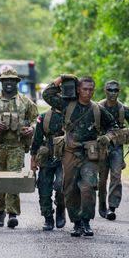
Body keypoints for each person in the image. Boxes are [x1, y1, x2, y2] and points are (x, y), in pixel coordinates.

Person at [43, 75, 117, 237]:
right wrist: (61, 79)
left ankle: (86, 221)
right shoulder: (67, 105)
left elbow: (114, 126)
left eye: (91, 89)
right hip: (70, 153)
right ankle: (76, 222)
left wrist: (107, 137)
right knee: (70, 189)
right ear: (78, 89)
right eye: (84, 89)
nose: (88, 92)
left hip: (90, 155)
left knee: (88, 187)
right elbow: (47, 94)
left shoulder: (97, 109)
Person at [0, 67, 38, 229]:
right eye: (5, 80)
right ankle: (0, 212)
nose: (9, 83)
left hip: (17, 146)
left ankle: (12, 214)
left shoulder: (25, 102)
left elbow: (36, 119)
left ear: (17, 82)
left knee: (14, 178)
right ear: (1, 83)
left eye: (12, 80)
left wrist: (31, 128)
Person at [97, 80, 129, 220]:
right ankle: (102, 203)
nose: (113, 93)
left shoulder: (123, 109)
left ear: (119, 92)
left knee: (116, 176)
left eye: (116, 90)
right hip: (101, 147)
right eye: (110, 89)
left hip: (117, 148)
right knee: (101, 179)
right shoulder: (97, 107)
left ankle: (112, 207)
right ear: (105, 90)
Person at [30, 108, 66, 231]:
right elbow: (37, 139)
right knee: (44, 189)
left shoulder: (72, 114)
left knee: (62, 184)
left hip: (65, 157)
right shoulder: (44, 117)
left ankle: (61, 207)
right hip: (47, 157)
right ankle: (48, 217)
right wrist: (33, 159)